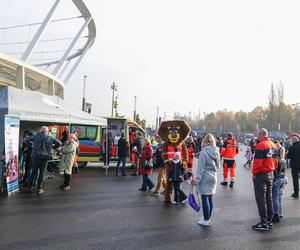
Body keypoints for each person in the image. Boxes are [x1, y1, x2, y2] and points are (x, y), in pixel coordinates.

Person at [252, 128, 277, 231]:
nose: (257, 136)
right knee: (269, 198)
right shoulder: (273, 145)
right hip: (270, 173)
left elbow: (258, 162)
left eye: (258, 134)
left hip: (261, 174)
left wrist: (254, 173)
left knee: (261, 199)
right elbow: (275, 161)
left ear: (261, 134)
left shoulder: (261, 145)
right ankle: (269, 221)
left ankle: (264, 222)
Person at [193, 134, 220, 227]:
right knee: (210, 198)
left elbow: (200, 169)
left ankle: (206, 219)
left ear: (204, 142)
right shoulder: (216, 151)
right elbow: (218, 166)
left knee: (205, 198)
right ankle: (207, 216)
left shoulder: (203, 153)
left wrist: (196, 180)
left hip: (205, 178)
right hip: (213, 177)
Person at [28, 126, 61, 194]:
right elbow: (59, 143)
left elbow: (26, 140)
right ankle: (39, 189)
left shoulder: (35, 136)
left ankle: (30, 187)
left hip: (36, 156)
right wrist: (53, 147)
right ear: (47, 131)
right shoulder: (50, 137)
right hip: (45, 157)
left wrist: (31, 146)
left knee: (34, 171)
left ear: (41, 130)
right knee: (42, 172)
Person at [272, 140, 287, 223]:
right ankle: (279, 213)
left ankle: (276, 214)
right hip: (282, 179)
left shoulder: (276, 160)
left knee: (274, 198)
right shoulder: (283, 160)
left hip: (276, 179)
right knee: (279, 198)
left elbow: (274, 171)